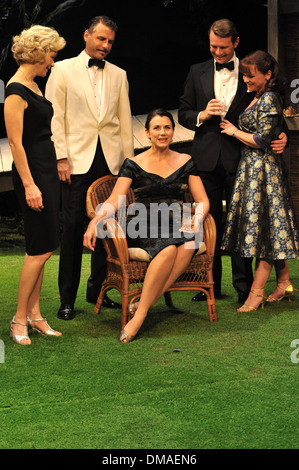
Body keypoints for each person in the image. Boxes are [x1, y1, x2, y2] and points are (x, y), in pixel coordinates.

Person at [178, 19, 287, 304]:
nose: (218, 52)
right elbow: (183, 112)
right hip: (205, 159)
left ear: (235, 43)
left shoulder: (250, 70)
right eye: (213, 46)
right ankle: (209, 284)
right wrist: (201, 114)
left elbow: (270, 110)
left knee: (242, 224)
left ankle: (244, 286)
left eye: (223, 48)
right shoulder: (196, 71)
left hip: (242, 159)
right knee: (208, 222)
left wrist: (283, 134)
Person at [83, 109, 210, 342]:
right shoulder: (133, 163)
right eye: (157, 128)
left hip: (176, 221)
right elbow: (114, 200)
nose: (163, 133)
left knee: (190, 244)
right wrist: (95, 222)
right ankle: (140, 316)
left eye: (167, 128)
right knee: (170, 248)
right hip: (144, 222)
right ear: (147, 133)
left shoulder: (186, 161)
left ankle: (142, 305)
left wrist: (197, 218)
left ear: (173, 131)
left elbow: (203, 200)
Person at [45, 16, 134, 320]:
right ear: (86, 36)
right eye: (101, 39)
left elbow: (124, 122)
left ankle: (97, 291)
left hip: (110, 161)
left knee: (107, 228)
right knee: (72, 230)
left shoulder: (120, 75)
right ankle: (66, 299)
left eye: (110, 41)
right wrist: (60, 157)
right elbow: (55, 117)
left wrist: (129, 167)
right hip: (74, 160)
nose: (106, 46)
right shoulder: (61, 69)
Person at [220, 50, 299, 311]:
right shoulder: (255, 97)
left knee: (265, 229)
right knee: (270, 224)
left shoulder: (269, 98)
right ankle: (284, 282)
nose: (246, 80)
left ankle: (256, 291)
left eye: (250, 76)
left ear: (267, 75)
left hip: (265, 172)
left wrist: (233, 131)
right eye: (244, 76)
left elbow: (263, 140)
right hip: (252, 170)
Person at [4, 25, 66, 345]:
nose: (52, 63)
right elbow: (16, 145)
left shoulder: (32, 85)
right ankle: (18, 319)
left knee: (45, 247)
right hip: (33, 176)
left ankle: (35, 314)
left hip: (46, 172)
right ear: (39, 53)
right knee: (37, 250)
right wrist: (30, 186)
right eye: (51, 56)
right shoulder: (16, 91)